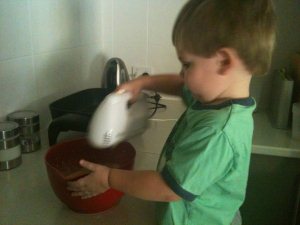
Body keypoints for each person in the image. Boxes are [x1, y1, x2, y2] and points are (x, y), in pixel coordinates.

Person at [67, 0, 276, 224]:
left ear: (224, 62)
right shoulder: (213, 99)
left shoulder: (217, 132)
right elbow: (179, 85)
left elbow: (167, 188)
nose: (182, 73)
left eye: (187, 64)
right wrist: (142, 83)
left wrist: (108, 178)